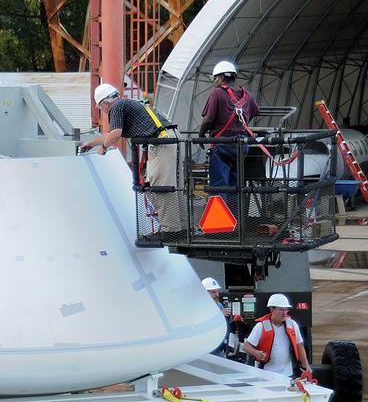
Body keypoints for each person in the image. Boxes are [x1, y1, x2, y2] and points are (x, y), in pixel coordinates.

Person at [80, 83, 183, 240]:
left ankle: (171, 231)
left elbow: (114, 135)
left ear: (105, 103)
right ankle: (181, 227)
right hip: (170, 136)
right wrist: (91, 143)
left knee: (160, 185)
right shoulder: (125, 104)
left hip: (162, 141)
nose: (103, 111)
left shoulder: (116, 107)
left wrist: (103, 147)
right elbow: (110, 134)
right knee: (174, 184)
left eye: (101, 107)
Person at [242, 293, 313, 402]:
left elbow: (300, 346)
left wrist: (306, 366)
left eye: (286, 310)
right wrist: (257, 354)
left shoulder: (292, 325)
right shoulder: (261, 326)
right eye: (281, 310)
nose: (285, 313)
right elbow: (246, 346)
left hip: (285, 375)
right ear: (272, 310)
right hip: (265, 374)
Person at [199, 61, 260, 191]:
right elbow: (256, 111)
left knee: (219, 187)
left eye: (215, 78)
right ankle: (234, 211)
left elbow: (209, 119)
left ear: (221, 78)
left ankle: (220, 211)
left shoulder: (217, 93)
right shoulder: (246, 95)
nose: (214, 82)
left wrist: (201, 134)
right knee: (235, 186)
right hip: (241, 146)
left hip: (222, 145)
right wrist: (240, 124)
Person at [202, 277, 235, 357]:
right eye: (213, 292)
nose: (217, 295)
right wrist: (219, 315)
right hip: (205, 350)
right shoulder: (199, 307)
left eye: (217, 292)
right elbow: (201, 325)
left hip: (218, 348)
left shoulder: (219, 305)